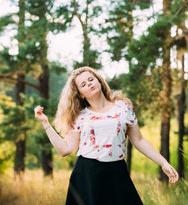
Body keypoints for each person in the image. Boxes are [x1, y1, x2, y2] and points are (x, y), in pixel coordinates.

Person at [34, 66, 179, 205]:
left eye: (91, 79)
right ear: (80, 94)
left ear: (99, 80)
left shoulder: (124, 107)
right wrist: (46, 123)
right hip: (88, 175)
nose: (89, 84)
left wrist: (163, 162)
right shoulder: (80, 117)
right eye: (83, 84)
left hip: (117, 171)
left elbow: (139, 140)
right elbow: (65, 150)